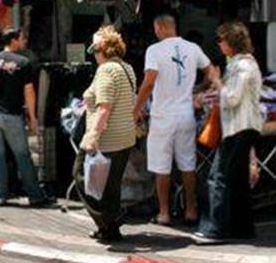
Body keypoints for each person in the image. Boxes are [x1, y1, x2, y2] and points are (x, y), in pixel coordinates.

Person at [133, 15, 215, 226]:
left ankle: (164, 213)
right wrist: (202, 88)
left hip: (163, 117)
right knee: (188, 165)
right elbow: (211, 71)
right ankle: (191, 210)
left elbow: (149, 82)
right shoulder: (193, 48)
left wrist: (136, 110)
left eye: (155, 29)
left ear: (160, 27)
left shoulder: (155, 50)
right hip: (186, 114)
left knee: (162, 167)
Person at [194, 22, 264, 245]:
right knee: (237, 179)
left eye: (221, 40)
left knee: (218, 176)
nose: (219, 44)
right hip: (243, 126)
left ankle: (215, 229)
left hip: (239, 127)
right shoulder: (241, 64)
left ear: (231, 42)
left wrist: (216, 80)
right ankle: (242, 228)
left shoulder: (242, 66)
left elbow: (232, 97)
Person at [74, 26, 137, 243]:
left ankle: (111, 218)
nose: (94, 56)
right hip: (125, 137)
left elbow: (104, 107)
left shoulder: (106, 70)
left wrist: (92, 137)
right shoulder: (127, 68)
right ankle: (109, 231)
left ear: (101, 49)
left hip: (107, 139)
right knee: (110, 187)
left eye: (94, 50)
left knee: (82, 178)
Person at [0, 28, 49, 207]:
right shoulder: (23, 62)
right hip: (11, 115)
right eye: (22, 38)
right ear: (14, 40)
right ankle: (35, 195)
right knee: (22, 156)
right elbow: (29, 92)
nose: (24, 41)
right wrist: (33, 117)